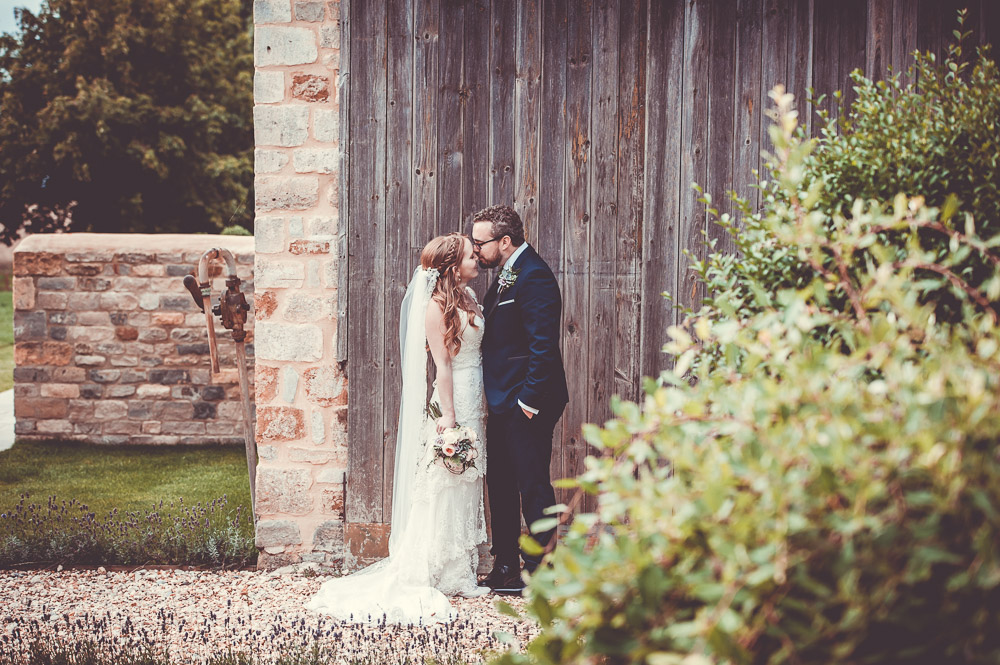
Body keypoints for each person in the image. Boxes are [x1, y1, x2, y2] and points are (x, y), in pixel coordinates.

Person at [306, 233, 490, 624]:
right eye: (473, 256)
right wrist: (449, 418)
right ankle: (435, 567)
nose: (479, 260)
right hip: (454, 398)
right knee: (444, 480)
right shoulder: (437, 307)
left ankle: (460, 569)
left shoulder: (470, 299)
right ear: (454, 266)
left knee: (467, 478)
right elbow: (441, 366)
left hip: (476, 395)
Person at [471, 205, 569, 595]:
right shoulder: (508, 274)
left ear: (505, 242)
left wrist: (527, 402)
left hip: (527, 401)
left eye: (481, 243)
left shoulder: (536, 278)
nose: (476, 249)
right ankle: (506, 564)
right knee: (501, 483)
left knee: (532, 485)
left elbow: (543, 347)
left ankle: (539, 572)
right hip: (502, 400)